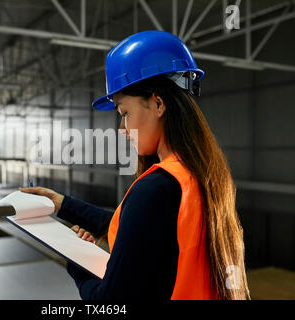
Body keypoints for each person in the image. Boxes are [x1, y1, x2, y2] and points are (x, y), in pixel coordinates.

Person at [20, 30, 249, 300]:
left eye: (124, 113)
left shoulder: (155, 188)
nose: (122, 128)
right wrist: (62, 204)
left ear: (158, 103)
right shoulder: (202, 176)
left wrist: (75, 262)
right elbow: (133, 227)